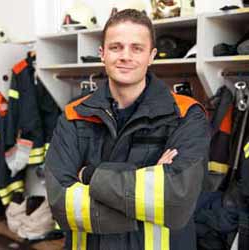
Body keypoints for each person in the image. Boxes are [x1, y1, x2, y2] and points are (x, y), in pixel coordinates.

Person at [45, 9, 211, 250]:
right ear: (102, 53)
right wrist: (148, 184)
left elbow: (177, 199)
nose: (125, 56)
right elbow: (61, 202)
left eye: (136, 48)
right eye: (116, 47)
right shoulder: (74, 115)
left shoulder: (186, 115)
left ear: (151, 55)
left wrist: (90, 175)